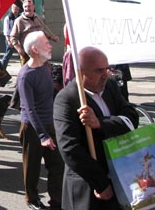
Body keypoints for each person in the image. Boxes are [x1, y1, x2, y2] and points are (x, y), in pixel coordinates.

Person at [54, 47, 139, 210]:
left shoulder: (111, 87)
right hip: (88, 188)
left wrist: (101, 123)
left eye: (107, 69)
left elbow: (131, 118)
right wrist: (101, 183)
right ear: (81, 71)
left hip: (119, 178)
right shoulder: (67, 99)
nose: (106, 74)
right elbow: (70, 149)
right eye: (99, 70)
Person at [17, 31, 64, 210]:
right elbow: (29, 109)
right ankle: (32, 200)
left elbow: (50, 96)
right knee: (33, 168)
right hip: (33, 129)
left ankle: (57, 201)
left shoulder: (46, 67)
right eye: (46, 44)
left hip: (50, 125)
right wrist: (43, 135)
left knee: (57, 165)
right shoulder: (26, 75)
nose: (50, 45)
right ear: (35, 49)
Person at [10, 0, 58, 65]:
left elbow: (43, 32)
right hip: (28, 54)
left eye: (29, 6)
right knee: (29, 73)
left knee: (44, 71)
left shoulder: (38, 17)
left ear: (33, 7)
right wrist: (19, 50)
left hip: (41, 51)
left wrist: (52, 38)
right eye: (25, 7)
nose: (27, 8)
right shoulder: (19, 21)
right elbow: (13, 37)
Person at [0, 4, 20, 69]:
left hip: (19, 38)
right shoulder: (8, 18)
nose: (16, 11)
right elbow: (6, 31)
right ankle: (2, 69)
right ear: (12, 9)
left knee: (22, 54)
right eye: (15, 9)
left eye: (17, 9)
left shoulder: (20, 17)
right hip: (10, 38)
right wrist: (9, 41)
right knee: (8, 55)